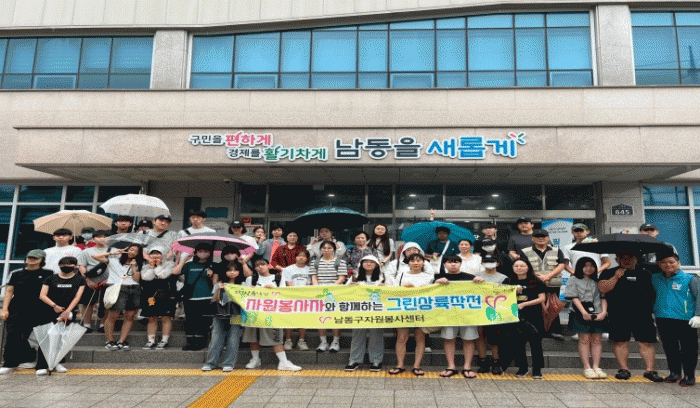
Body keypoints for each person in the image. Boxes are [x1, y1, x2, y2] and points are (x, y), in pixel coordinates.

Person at [598, 253, 663, 382]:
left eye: (630, 258)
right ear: (617, 259)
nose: (626, 261)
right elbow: (602, 289)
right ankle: (623, 369)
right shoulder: (608, 272)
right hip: (618, 313)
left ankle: (650, 370)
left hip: (643, 314)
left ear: (636, 259)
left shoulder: (646, 274)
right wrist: (616, 277)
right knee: (620, 341)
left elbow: (655, 294)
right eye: (623, 258)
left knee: (645, 342)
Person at [0, 250, 54, 375]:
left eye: (35, 258)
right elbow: (9, 291)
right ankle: (10, 363)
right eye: (30, 258)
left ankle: (42, 365)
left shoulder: (49, 274)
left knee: (43, 337)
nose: (32, 260)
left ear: (42, 260)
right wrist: (5, 309)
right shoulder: (16, 273)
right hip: (17, 309)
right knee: (13, 336)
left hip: (42, 310)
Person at [243, 259, 301, 371]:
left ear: (268, 266)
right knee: (253, 337)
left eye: (263, 264)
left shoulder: (278, 278)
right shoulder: (251, 279)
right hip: (254, 312)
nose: (260, 267)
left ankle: (284, 362)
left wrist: (273, 290)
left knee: (276, 337)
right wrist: (251, 291)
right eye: (257, 265)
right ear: (254, 268)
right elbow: (244, 295)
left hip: (272, 313)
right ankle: (255, 359)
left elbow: (284, 294)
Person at [651, 252, 700, 386]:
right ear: (659, 264)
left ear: (678, 263)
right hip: (663, 318)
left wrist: (698, 315)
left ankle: (689, 376)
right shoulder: (654, 278)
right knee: (670, 347)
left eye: (671, 262)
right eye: (664, 262)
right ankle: (675, 373)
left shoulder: (690, 279)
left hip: (685, 319)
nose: (668, 265)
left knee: (689, 349)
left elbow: (699, 297)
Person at [435, 255, 484, 378]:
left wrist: (480, 281)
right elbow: (429, 293)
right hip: (447, 315)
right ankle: (451, 366)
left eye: (456, 262)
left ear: (460, 264)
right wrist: (436, 283)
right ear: (444, 264)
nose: (453, 264)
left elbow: (482, 291)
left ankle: (467, 367)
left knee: (468, 339)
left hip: (468, 315)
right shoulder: (439, 278)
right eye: (449, 262)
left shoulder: (471, 278)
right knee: (449, 339)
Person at [36, 256, 86, 375]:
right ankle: (42, 365)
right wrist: (54, 306)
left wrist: (67, 311)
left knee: (62, 338)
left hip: (68, 312)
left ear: (75, 266)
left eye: (69, 264)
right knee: (46, 338)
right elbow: (42, 295)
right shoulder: (50, 278)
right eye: (63, 264)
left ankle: (58, 363)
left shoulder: (80, 280)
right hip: (48, 310)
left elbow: (77, 297)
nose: (66, 267)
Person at [389, 253, 434, 376]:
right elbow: (394, 291)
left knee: (420, 338)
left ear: (424, 263)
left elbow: (433, 293)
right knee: (401, 338)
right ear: (408, 263)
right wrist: (404, 288)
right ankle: (400, 365)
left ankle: (417, 366)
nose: (416, 263)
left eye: (419, 260)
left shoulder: (429, 276)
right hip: (404, 310)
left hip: (422, 310)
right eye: (412, 261)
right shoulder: (401, 275)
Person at [517, 229, 567, 340]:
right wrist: (539, 279)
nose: (541, 239)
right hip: (533, 284)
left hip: (552, 285)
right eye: (538, 237)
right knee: (535, 308)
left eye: (543, 236)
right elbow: (523, 266)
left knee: (552, 307)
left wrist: (547, 276)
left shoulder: (556, 250)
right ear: (533, 239)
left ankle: (554, 331)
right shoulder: (525, 251)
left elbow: (561, 265)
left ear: (548, 238)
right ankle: (535, 331)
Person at [93, 244, 144, 351]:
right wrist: (113, 253)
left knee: (130, 316)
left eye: (136, 251)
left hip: (134, 289)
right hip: (119, 289)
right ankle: (110, 341)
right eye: (131, 249)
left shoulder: (138, 264)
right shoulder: (114, 260)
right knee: (113, 316)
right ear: (127, 249)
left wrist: (133, 267)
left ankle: (121, 341)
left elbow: (137, 279)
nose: (132, 252)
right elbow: (95, 256)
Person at [565, 257, 608, 379]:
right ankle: (587, 367)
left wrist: (603, 312)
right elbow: (574, 297)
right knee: (584, 339)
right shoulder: (573, 279)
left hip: (598, 313)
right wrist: (584, 312)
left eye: (592, 266)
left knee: (597, 340)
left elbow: (604, 297)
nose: (589, 268)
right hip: (579, 313)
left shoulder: (598, 281)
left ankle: (596, 366)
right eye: (585, 266)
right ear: (580, 267)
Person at [345, 255, 385, 372]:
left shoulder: (384, 276)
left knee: (376, 336)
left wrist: (386, 287)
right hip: (359, 310)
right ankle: (354, 360)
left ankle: (376, 360)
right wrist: (350, 287)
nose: (368, 263)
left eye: (371, 262)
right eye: (366, 262)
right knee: (357, 336)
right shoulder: (355, 277)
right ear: (361, 264)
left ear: (376, 265)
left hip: (378, 311)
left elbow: (394, 290)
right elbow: (345, 292)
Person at [172, 243, 215, 351]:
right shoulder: (189, 265)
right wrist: (184, 260)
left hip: (206, 297)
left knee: (203, 322)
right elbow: (175, 272)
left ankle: (200, 342)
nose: (202, 253)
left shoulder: (213, 265)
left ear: (210, 253)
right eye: (200, 251)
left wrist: (211, 275)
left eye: (205, 251)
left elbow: (216, 282)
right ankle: (190, 342)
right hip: (190, 297)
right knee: (190, 320)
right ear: (195, 253)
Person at [474, 253, 510, 374]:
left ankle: (496, 363)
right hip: (478, 310)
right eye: (486, 261)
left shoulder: (503, 278)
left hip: (495, 311)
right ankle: (483, 362)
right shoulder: (475, 276)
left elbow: (506, 294)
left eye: (492, 261)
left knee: (494, 339)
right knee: (480, 336)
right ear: (482, 263)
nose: (489, 263)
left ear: (498, 263)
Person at [202, 264, 243, 372]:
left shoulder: (243, 284)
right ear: (225, 272)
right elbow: (214, 299)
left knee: (233, 339)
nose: (232, 273)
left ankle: (229, 364)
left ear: (239, 272)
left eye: (235, 270)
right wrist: (218, 290)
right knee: (216, 339)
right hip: (219, 314)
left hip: (236, 315)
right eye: (229, 270)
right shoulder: (219, 283)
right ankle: (210, 363)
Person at [509, 258, 546, 379]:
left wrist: (525, 304)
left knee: (536, 343)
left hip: (534, 315)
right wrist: (513, 291)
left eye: (522, 266)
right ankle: (522, 368)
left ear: (528, 267)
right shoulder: (509, 281)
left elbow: (542, 298)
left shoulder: (536, 281)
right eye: (516, 266)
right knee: (518, 343)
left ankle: (537, 369)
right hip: (516, 316)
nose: (519, 268)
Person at [311, 241, 347, 352]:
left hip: (335, 294)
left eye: (329, 248)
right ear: (320, 249)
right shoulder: (315, 262)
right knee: (321, 317)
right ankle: (323, 342)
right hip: (320, 294)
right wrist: (318, 288)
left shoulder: (340, 262)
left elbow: (342, 278)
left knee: (335, 317)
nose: (326, 250)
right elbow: (314, 277)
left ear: (334, 249)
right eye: (324, 248)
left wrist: (331, 288)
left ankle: (335, 342)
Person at [140, 247, 177, 349]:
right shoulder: (146, 266)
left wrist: (159, 266)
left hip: (166, 294)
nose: (155, 256)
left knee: (166, 317)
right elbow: (146, 278)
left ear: (163, 254)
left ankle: (164, 340)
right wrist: (152, 266)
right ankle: (151, 340)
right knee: (152, 318)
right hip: (150, 294)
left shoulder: (170, 264)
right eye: (152, 253)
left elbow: (163, 275)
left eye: (158, 253)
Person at [77, 229, 111, 333]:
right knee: (87, 303)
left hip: (108, 281)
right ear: (93, 239)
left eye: (104, 237)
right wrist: (88, 280)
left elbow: (118, 267)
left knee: (106, 303)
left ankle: (103, 325)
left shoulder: (113, 251)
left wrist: (109, 280)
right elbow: (82, 266)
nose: (102, 239)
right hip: (90, 281)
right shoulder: (86, 252)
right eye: (99, 237)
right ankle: (87, 325)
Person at [281, 249, 312, 350]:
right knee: (289, 320)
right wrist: (295, 294)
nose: (301, 258)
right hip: (291, 298)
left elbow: (311, 284)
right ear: (295, 257)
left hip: (306, 299)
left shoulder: (310, 269)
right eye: (299, 255)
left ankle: (301, 341)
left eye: (304, 256)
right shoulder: (288, 269)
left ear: (307, 258)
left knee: (303, 320)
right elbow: (288, 283)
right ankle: (288, 341)